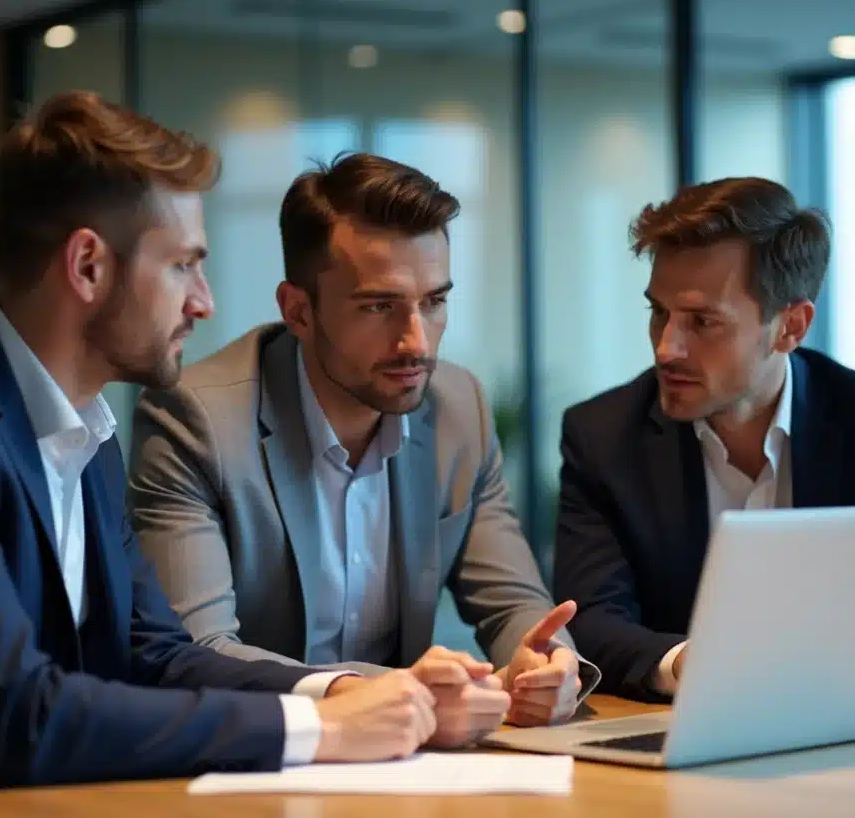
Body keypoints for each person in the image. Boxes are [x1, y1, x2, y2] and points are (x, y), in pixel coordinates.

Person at [0, 93, 501, 816]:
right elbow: (21, 713)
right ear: (87, 266)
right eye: (183, 266)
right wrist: (317, 726)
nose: (203, 302)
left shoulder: (84, 432)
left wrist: (349, 691)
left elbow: (156, 654)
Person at [127, 152, 600, 732]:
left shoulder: (459, 409)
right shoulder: (195, 420)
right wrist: (378, 692)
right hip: (259, 761)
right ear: (298, 311)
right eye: (380, 306)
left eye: (434, 301)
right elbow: (195, 650)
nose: (416, 342)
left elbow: (513, 605)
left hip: (407, 769)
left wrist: (547, 666)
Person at [553, 176, 855, 702]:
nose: (666, 348)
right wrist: (687, 664)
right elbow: (588, 620)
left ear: (791, 326)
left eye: (702, 321)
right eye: (659, 312)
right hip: (675, 743)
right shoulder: (604, 436)